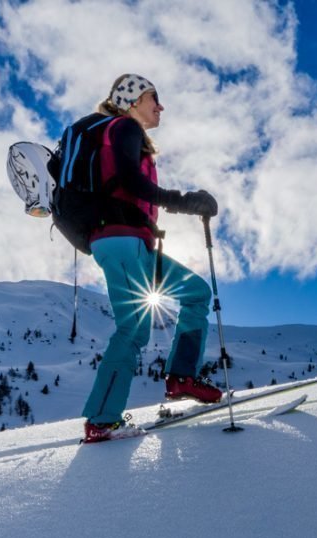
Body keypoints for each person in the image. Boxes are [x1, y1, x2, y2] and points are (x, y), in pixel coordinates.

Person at [82, 74, 222, 443]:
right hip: (119, 239)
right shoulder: (124, 127)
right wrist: (185, 201)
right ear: (131, 101)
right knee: (134, 328)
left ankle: (181, 378)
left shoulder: (121, 134)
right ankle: (102, 420)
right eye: (152, 98)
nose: (160, 106)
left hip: (132, 242)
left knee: (195, 293)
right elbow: (131, 183)